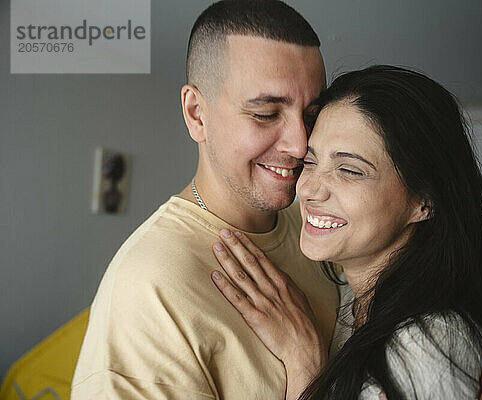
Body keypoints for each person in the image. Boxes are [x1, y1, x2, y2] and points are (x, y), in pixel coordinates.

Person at [71, 2, 339, 398]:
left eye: (312, 113)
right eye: (267, 114)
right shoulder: (149, 288)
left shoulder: (318, 227)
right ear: (197, 114)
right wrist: (307, 371)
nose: (300, 145)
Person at [210, 65, 482, 399]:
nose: (308, 190)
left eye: (349, 170)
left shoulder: (425, 344)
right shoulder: (356, 306)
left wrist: (305, 367)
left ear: (424, 202)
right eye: (310, 161)